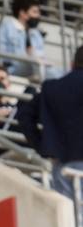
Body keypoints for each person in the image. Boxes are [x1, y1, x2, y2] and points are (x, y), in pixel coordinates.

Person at [18, 44, 83, 204]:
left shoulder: (51, 87)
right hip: (66, 161)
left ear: (72, 64)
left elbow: (24, 115)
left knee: (69, 219)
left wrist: (42, 146)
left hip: (62, 162)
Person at [0, 0, 46, 80]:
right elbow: (0, 53)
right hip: (12, 68)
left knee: (58, 72)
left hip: (35, 68)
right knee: (34, 64)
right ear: (23, 13)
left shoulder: (36, 32)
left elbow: (41, 55)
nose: (38, 16)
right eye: (35, 12)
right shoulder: (7, 26)